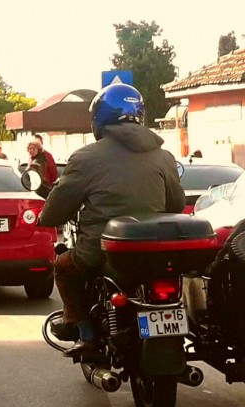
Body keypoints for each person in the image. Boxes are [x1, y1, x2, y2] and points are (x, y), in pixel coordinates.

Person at [38, 83, 185, 357]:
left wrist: (45, 217)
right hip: (156, 250)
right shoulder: (163, 156)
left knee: (63, 267)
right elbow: (176, 205)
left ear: (98, 119)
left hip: (101, 250)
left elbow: (54, 213)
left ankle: (85, 334)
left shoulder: (85, 157)